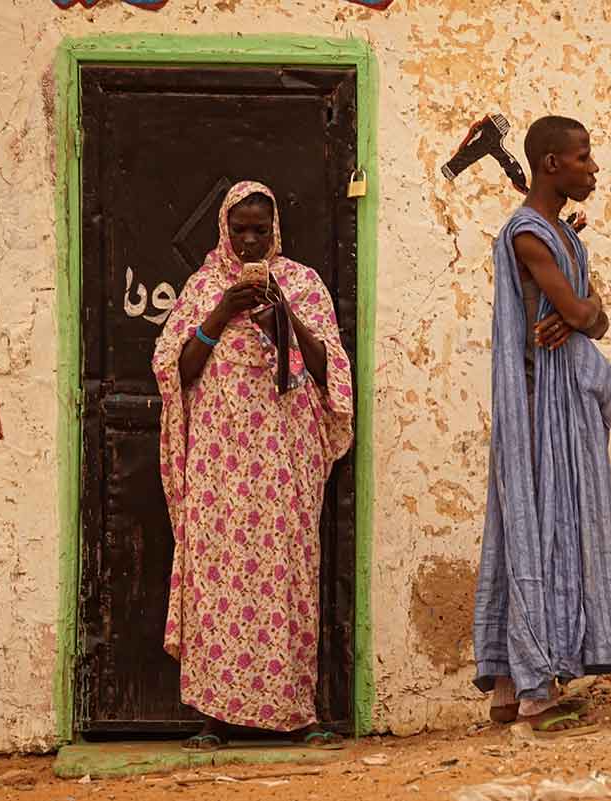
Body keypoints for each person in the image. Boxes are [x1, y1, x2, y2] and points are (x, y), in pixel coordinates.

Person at [152, 181, 354, 751]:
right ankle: (215, 717)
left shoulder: (302, 284)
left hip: (283, 458)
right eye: (239, 229)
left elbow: (328, 370)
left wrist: (279, 318)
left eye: (258, 230)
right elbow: (178, 370)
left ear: (275, 231)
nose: (248, 241)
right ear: (224, 229)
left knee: (286, 574)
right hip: (220, 461)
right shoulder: (203, 287)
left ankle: (298, 713)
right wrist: (221, 312)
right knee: (216, 578)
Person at [472, 116, 611, 737]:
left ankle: (509, 690)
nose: (594, 167)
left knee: (539, 530)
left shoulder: (561, 234)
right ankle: (535, 693)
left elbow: (591, 315)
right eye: (583, 157)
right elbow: (581, 312)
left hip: (561, 403)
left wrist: (584, 311)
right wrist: (582, 311)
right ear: (550, 164)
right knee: (535, 532)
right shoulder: (528, 235)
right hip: (539, 410)